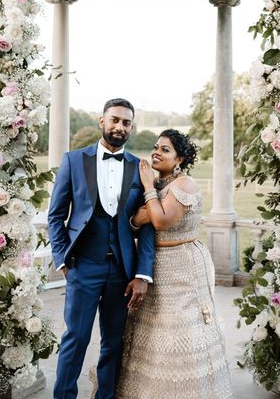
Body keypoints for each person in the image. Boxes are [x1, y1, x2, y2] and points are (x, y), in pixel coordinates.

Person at [48, 98, 155, 399]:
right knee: (76, 339)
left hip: (122, 271)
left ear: (131, 127)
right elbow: (55, 215)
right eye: (115, 120)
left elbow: (147, 225)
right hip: (83, 265)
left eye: (126, 122)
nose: (120, 126)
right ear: (102, 121)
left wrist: (143, 273)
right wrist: (62, 260)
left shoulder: (139, 167)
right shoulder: (73, 160)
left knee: (113, 342)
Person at [115, 129, 233, 399]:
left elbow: (160, 221)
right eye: (156, 147)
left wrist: (147, 192)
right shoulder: (159, 186)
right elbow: (133, 221)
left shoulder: (184, 185)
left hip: (183, 266)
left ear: (179, 158)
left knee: (181, 329)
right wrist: (146, 208)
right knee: (154, 328)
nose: (156, 151)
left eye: (165, 149)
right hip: (156, 264)